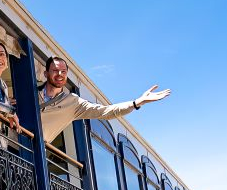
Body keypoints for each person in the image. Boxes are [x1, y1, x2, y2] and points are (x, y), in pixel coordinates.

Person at [37, 54, 170, 145]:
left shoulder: (73, 103)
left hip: (33, 151)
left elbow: (106, 112)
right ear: (46, 73)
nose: (60, 74)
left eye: (63, 71)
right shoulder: (30, 90)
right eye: (55, 70)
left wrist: (137, 103)